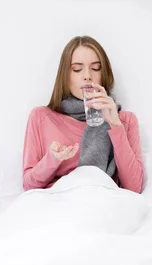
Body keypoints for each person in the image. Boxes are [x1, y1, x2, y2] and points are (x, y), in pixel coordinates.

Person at [22, 35, 144, 193]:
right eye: (77, 69)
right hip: (57, 203)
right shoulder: (41, 117)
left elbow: (134, 188)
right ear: (65, 76)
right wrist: (52, 161)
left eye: (95, 68)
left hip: (103, 202)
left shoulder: (125, 121)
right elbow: (28, 186)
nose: (87, 76)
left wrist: (115, 126)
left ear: (104, 73)